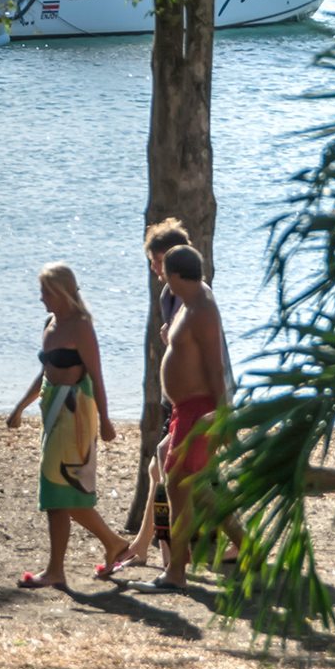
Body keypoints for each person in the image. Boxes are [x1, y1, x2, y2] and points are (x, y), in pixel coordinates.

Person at [6, 262, 129, 591]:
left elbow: (97, 376)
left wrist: (106, 420)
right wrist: (20, 406)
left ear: (61, 292)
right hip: (52, 410)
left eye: (46, 291)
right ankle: (103, 548)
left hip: (76, 413)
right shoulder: (51, 323)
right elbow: (46, 372)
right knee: (57, 491)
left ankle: (64, 566)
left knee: (57, 488)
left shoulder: (81, 326)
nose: (41, 297)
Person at [135, 243, 244, 593]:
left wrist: (222, 415)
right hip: (186, 409)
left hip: (199, 411)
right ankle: (247, 547)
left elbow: (215, 367)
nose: (160, 275)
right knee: (190, 484)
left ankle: (175, 573)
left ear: (177, 274)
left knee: (179, 485)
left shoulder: (203, 308)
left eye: (165, 270)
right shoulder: (187, 303)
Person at [100, 218, 190, 575]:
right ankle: (144, 546)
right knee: (161, 470)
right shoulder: (169, 293)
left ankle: (169, 558)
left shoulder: (190, 294)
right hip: (180, 399)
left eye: (156, 261)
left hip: (195, 400)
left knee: (166, 471)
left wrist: (173, 336)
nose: (154, 269)